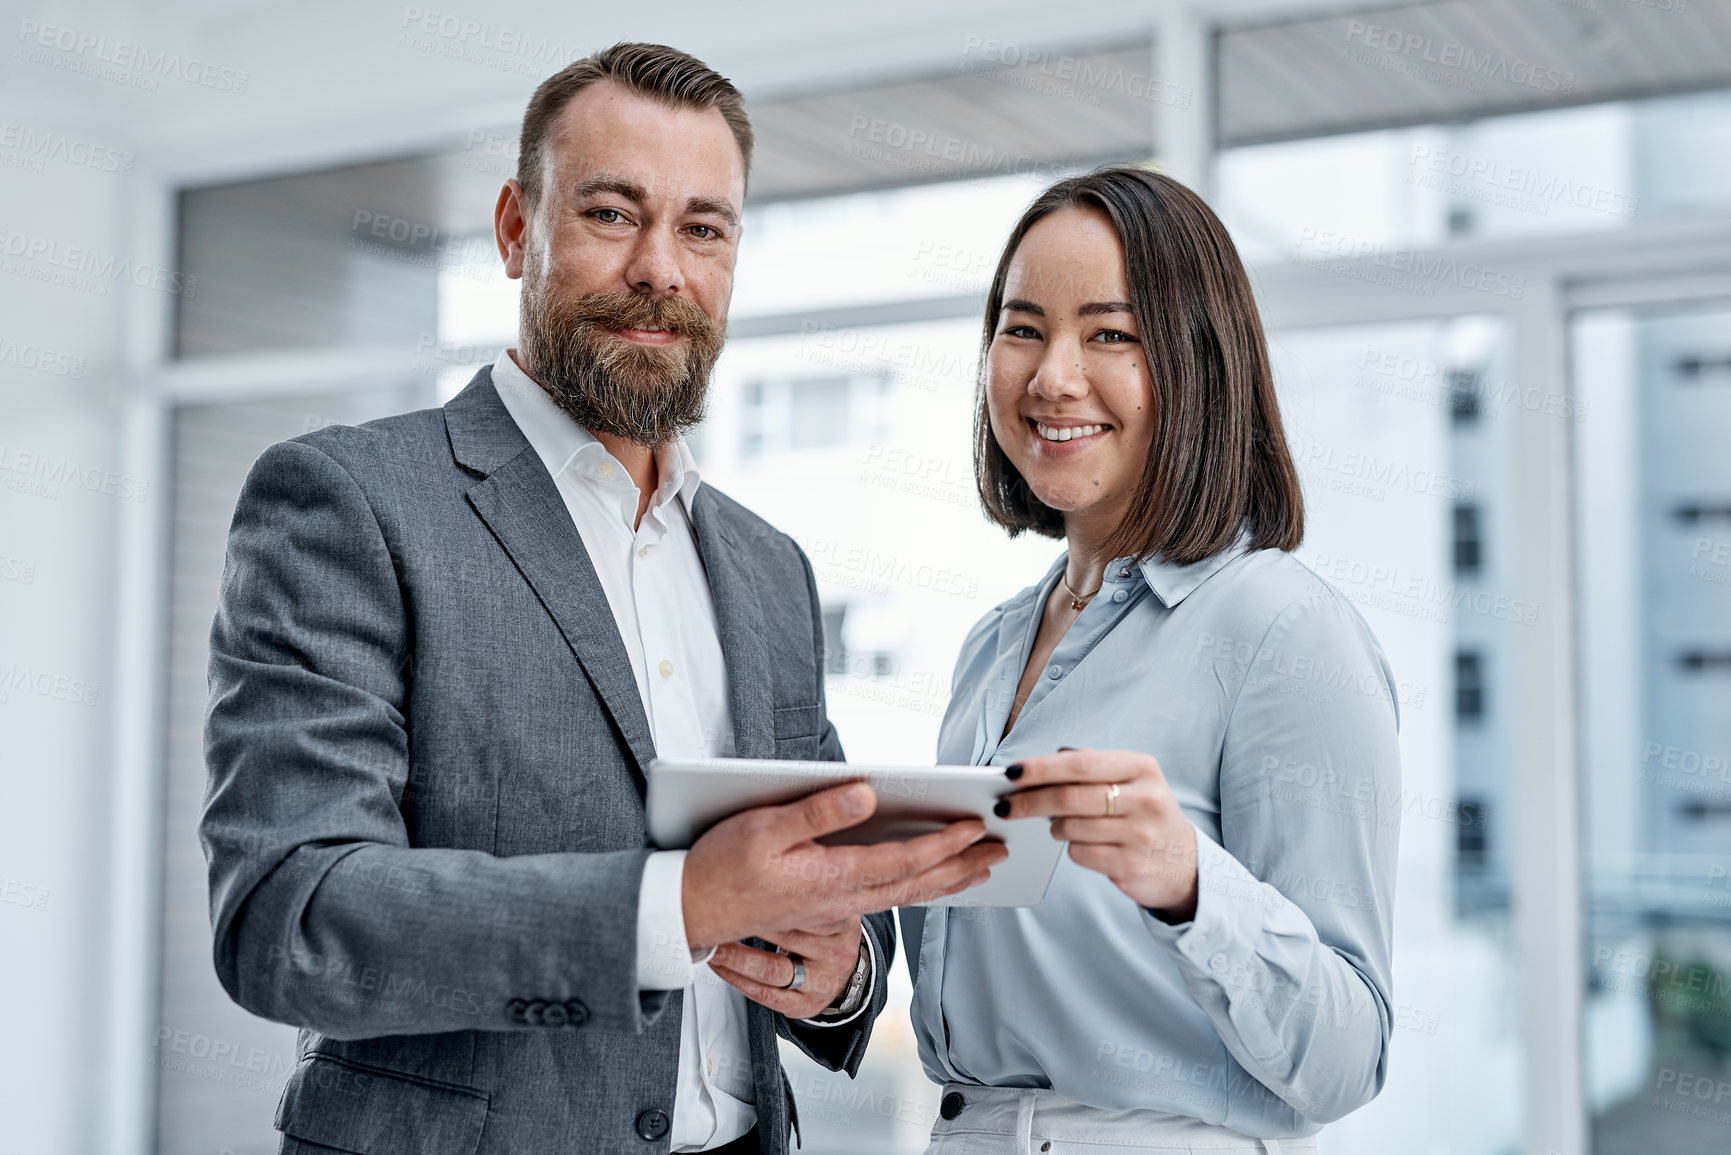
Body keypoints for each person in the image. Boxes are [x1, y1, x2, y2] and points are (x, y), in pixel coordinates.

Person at [201, 43, 1004, 1155]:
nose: (660, 269)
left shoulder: (770, 570)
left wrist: (842, 971)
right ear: (516, 228)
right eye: (613, 214)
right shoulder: (352, 502)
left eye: (703, 229)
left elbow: (821, 906)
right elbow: (292, 920)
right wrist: (677, 908)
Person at [901, 167, 1401, 1155]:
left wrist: (1191, 883)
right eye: (1022, 326)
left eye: (1111, 334)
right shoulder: (994, 646)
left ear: (1197, 364)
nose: (1052, 376)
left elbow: (1349, 1056)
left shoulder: (1284, 632)